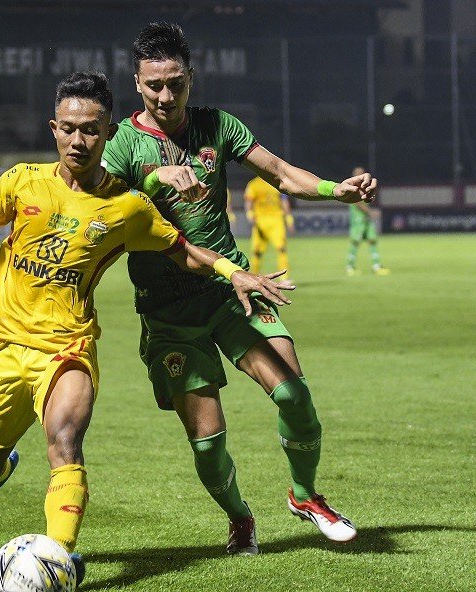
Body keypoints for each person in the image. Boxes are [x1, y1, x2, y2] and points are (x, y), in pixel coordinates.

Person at [0, 72, 293, 579]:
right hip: (5, 347)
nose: (79, 140)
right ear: (54, 128)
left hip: (67, 346)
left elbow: (183, 252)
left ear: (109, 132)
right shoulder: (21, 182)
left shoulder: (126, 207)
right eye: (70, 128)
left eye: (92, 129)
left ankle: (56, 557)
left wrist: (235, 272)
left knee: (65, 439)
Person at [102, 22, 377, 554]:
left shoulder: (216, 126)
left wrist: (332, 189)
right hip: (167, 310)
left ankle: (305, 495)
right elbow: (107, 205)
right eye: (154, 84)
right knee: (207, 444)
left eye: (175, 83)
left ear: (191, 78)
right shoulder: (121, 146)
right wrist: (157, 179)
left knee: (294, 393)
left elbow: (277, 171)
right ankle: (240, 517)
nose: (165, 95)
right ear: (137, 83)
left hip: (235, 290)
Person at [244, 175, 294, 278]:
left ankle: (284, 278)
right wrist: (249, 213)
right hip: (260, 221)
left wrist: (289, 218)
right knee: (257, 252)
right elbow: (249, 200)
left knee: (282, 248)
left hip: (276, 220)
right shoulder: (253, 184)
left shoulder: (276, 183)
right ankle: (254, 276)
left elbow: (284, 200)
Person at [346, 166, 390, 276]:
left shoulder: (364, 186)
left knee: (372, 240)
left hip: (366, 220)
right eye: (358, 174)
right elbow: (358, 204)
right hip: (358, 220)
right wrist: (371, 212)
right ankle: (350, 267)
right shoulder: (352, 186)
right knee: (355, 243)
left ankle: (376, 266)